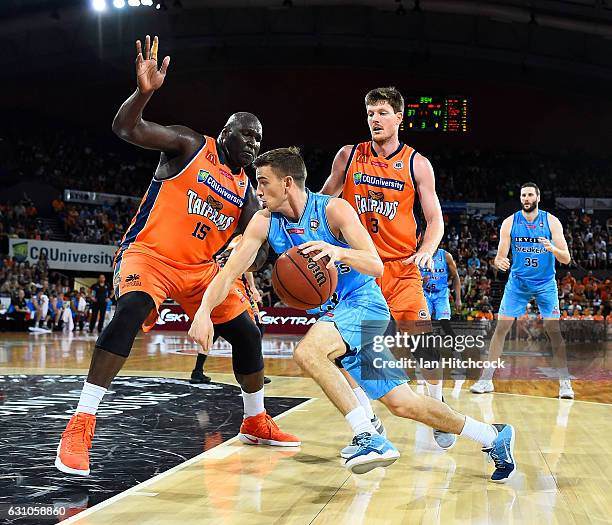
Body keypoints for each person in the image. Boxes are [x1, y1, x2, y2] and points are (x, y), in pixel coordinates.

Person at [189, 148, 517, 482]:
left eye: (263, 183)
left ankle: (367, 435)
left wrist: (337, 251)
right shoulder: (264, 221)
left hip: (364, 305)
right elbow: (229, 274)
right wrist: (203, 311)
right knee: (404, 404)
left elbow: (375, 265)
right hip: (337, 315)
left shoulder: (333, 209)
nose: (257, 192)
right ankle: (492, 436)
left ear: (287, 183)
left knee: (308, 352)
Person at [55, 35, 298, 478]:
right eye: (246, 133)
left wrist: (249, 273)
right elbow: (127, 129)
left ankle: (255, 419)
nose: (253, 142)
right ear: (225, 133)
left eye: (259, 138)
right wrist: (143, 95)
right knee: (130, 312)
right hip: (150, 256)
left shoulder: (247, 190)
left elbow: (255, 243)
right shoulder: (189, 145)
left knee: (247, 333)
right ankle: (81, 422)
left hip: (201, 271)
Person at [321, 86, 454, 451]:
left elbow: (435, 219)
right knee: (343, 351)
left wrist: (427, 249)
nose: (375, 120)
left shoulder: (416, 163)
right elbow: (322, 201)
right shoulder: (349, 156)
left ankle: (437, 403)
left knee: (426, 343)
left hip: (401, 270)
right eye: (370, 114)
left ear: (399, 117)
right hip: (360, 271)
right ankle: (367, 416)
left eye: (382, 112)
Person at [470, 182, 574, 399]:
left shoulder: (551, 222)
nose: (526, 199)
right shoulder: (510, 222)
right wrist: (499, 261)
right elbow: (500, 255)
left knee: (554, 332)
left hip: (545, 283)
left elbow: (566, 258)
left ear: (537, 197)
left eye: (530, 195)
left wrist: (552, 248)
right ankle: (486, 380)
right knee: (501, 329)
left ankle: (565, 384)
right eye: (523, 195)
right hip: (518, 283)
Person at [190, 235, 271, 386]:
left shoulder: (237, 240)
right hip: (234, 285)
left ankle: (197, 370)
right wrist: (253, 287)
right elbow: (247, 266)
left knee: (217, 329)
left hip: (219, 284)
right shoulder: (247, 238)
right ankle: (253, 370)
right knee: (255, 328)